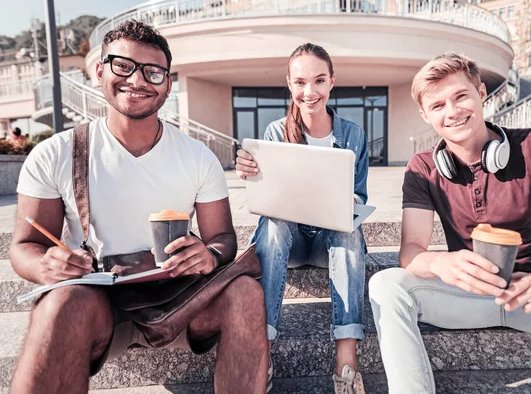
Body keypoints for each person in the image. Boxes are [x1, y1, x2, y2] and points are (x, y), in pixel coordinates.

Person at [9, 20, 268, 394]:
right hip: (97, 296)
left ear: (167, 83)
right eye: (124, 66)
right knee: (60, 304)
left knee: (246, 293)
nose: (138, 80)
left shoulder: (197, 156)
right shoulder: (56, 153)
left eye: (153, 72)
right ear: (100, 70)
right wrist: (45, 264)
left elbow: (223, 237)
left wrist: (209, 254)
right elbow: (24, 246)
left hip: (180, 295)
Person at [369, 52, 531, 393]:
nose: (452, 112)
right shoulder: (421, 167)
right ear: (425, 115)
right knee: (386, 285)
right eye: (438, 105)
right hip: (468, 298)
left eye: (461, 96)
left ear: (481, 93)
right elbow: (411, 252)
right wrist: (438, 261)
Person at [235, 43, 369, 394]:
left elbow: (361, 196)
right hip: (288, 245)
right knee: (276, 222)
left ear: (332, 82)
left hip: (329, 244)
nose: (309, 93)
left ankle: (346, 357)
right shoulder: (275, 133)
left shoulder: (354, 134)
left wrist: (344, 200)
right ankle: (261, 349)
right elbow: (268, 202)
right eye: (300, 83)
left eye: (319, 81)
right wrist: (250, 175)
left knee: (350, 231)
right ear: (289, 85)